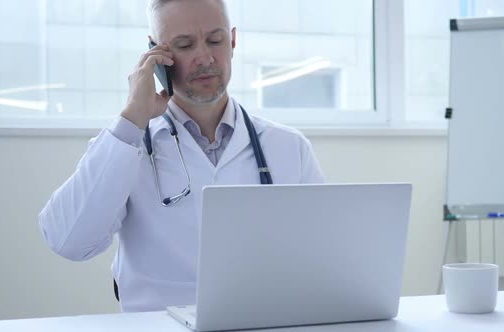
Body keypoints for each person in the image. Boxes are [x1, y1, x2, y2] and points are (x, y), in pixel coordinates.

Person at [38, 0, 324, 313]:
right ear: (156, 55)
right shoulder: (125, 145)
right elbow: (68, 241)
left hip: (261, 321)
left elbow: (324, 258)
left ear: (232, 41)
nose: (205, 57)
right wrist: (133, 118)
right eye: (185, 45)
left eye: (215, 40)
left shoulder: (289, 147)